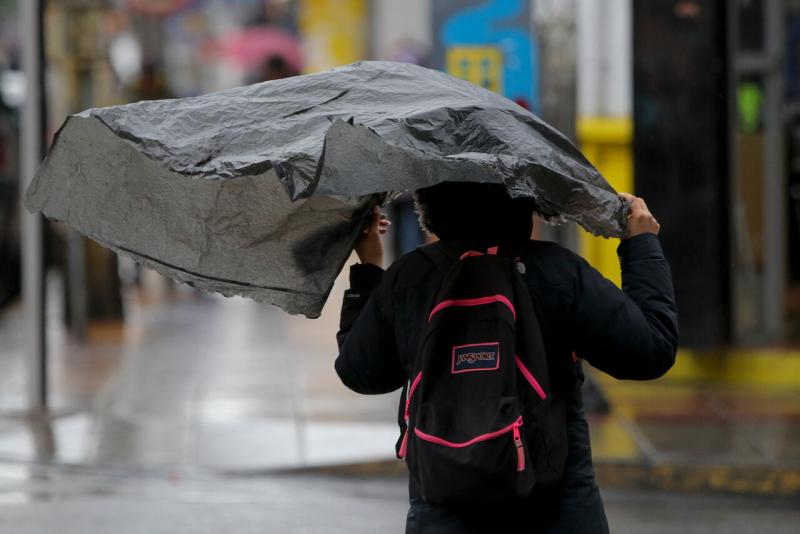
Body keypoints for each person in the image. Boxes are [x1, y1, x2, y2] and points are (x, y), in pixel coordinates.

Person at [335, 182, 678, 533]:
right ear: (522, 196)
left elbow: (360, 371)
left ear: (431, 202)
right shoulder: (558, 272)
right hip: (555, 511)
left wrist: (369, 268)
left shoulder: (410, 279)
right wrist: (641, 245)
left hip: (442, 511)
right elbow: (651, 350)